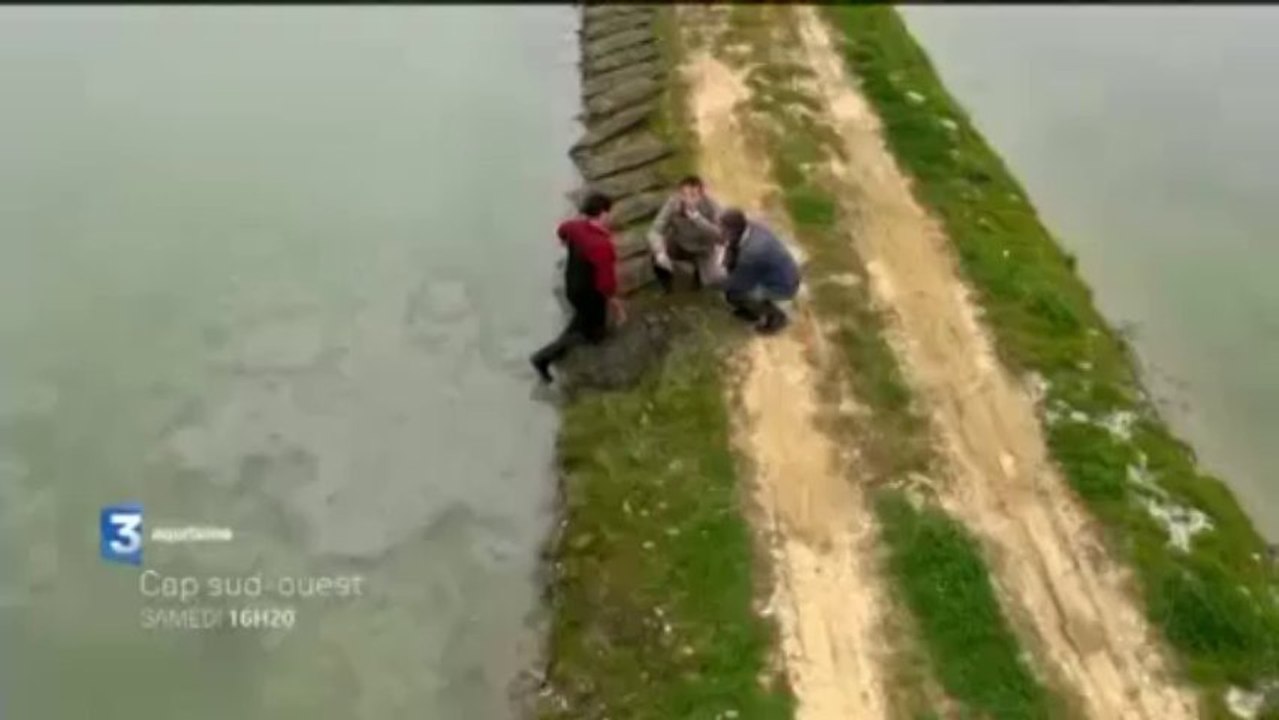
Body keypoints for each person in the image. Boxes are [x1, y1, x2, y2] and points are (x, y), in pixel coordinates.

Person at [530, 192, 626, 383]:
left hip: (572, 285)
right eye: (610, 212)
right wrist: (617, 305)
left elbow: (562, 230)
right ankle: (543, 357)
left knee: (582, 318)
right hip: (590, 293)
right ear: (603, 214)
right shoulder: (601, 245)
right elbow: (606, 283)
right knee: (591, 332)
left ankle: (566, 340)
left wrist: (565, 241)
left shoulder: (575, 227)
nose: (612, 216)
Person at [715, 208, 801, 334]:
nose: (719, 231)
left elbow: (740, 284)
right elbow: (732, 247)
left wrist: (716, 282)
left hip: (783, 285)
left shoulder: (751, 253)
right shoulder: (749, 228)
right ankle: (751, 310)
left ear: (733, 231)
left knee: (735, 295)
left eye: (722, 229)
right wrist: (728, 259)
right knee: (733, 283)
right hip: (777, 272)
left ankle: (777, 317)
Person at [646, 175, 725, 293]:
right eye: (684, 195)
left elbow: (722, 237)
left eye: (693, 196)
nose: (688, 200)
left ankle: (695, 284)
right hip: (679, 244)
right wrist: (660, 252)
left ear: (701, 195)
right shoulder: (673, 203)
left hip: (702, 250)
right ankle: (667, 285)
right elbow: (655, 230)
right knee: (655, 253)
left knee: (712, 282)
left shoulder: (713, 207)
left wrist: (698, 219)